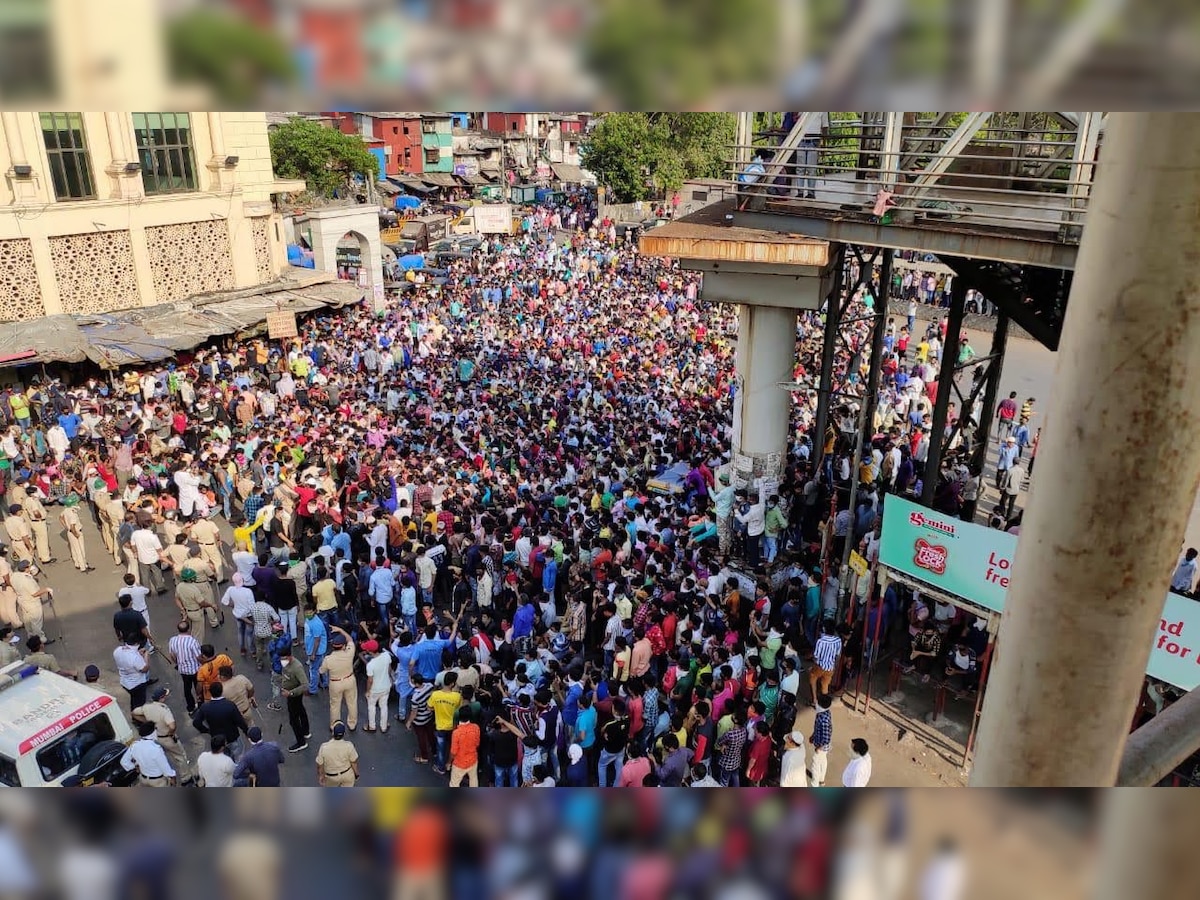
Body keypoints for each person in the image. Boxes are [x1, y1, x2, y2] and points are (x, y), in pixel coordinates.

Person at [133, 686, 192, 785]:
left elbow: (134, 713)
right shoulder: (164, 709)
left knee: (159, 757)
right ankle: (186, 778)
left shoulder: (147, 707)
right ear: (161, 698)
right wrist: (171, 733)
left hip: (155, 737)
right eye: (165, 695)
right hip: (167, 738)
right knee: (179, 756)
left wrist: (148, 722)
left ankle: (164, 775)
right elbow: (172, 725)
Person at [191, 681, 249, 761]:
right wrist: (246, 731)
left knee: (222, 759)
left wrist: (206, 730)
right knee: (238, 757)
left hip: (217, 739)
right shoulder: (229, 705)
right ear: (221, 691)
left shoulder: (205, 707)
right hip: (232, 737)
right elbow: (240, 721)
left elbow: (196, 722)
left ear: (210, 692)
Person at [319, 625, 359, 733]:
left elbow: (321, 671)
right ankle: (352, 724)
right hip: (350, 679)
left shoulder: (328, 659)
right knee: (352, 702)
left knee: (335, 705)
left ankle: (334, 725)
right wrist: (341, 630)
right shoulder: (349, 653)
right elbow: (350, 639)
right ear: (343, 646)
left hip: (335, 683)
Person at [120, 720, 177, 786]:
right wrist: (172, 776)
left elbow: (124, 762)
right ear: (152, 732)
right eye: (155, 729)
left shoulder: (134, 745)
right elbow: (164, 767)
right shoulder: (156, 749)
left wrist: (134, 767)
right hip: (158, 782)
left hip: (143, 780)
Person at [277, 643, 311, 752]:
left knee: (293, 720)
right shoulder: (286, 664)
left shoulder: (297, 667)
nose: (283, 661)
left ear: (290, 656)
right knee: (301, 710)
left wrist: (290, 693)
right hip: (290, 692)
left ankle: (301, 742)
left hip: (294, 695)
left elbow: (305, 685)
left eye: (284, 658)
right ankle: (305, 731)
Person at [113, 633, 152, 710]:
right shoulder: (135, 657)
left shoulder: (118, 650)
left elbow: (129, 659)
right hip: (137, 684)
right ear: (137, 643)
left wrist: (138, 653)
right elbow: (145, 669)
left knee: (134, 701)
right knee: (140, 704)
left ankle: (134, 714)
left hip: (125, 681)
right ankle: (139, 719)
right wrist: (146, 656)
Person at [362, 639, 393, 733]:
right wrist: (389, 679)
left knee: (371, 707)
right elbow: (389, 669)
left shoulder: (370, 664)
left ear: (370, 651)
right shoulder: (386, 655)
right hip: (386, 686)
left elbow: (370, 680)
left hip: (375, 690)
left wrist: (367, 691)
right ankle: (383, 727)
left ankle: (372, 726)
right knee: (384, 706)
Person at [316, 721, 359, 786]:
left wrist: (321, 776)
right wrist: (356, 774)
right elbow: (354, 762)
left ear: (333, 733)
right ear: (344, 734)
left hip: (331, 777)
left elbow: (320, 765)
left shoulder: (324, 747)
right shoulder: (349, 746)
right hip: (347, 774)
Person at [809, 621, 842, 705]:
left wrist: (814, 666)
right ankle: (823, 702)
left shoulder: (820, 641)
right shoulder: (838, 640)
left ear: (824, 629)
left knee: (812, 679)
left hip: (820, 666)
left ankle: (814, 700)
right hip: (831, 667)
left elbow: (816, 656)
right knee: (825, 684)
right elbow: (838, 655)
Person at [448, 706, 481, 787]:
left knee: (454, 784)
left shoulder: (456, 733)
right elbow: (477, 744)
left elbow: (453, 751)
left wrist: (449, 762)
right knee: (473, 780)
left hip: (459, 763)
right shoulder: (476, 727)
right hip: (473, 760)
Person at [810, 692, 833, 787]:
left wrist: (819, 747)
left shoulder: (823, 719)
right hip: (823, 746)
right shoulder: (825, 713)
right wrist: (813, 735)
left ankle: (814, 784)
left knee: (815, 765)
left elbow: (826, 738)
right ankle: (821, 780)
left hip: (821, 746)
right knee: (823, 761)